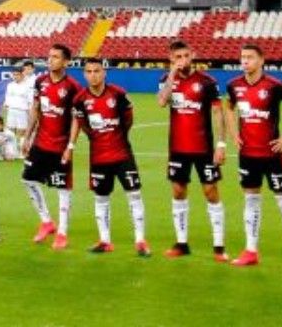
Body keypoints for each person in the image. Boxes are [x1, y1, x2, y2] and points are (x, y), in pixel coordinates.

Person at [222, 42, 282, 270]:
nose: (245, 61)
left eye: (250, 57)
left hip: (272, 153)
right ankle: (251, 250)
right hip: (247, 155)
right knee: (251, 200)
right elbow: (228, 109)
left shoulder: (274, 85)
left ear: (262, 60)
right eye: (242, 57)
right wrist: (234, 134)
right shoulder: (234, 86)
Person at [69, 57, 150, 257]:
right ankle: (105, 241)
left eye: (97, 71)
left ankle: (140, 240)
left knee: (134, 194)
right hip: (99, 157)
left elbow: (128, 120)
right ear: (84, 74)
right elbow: (83, 125)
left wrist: (117, 136)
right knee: (101, 198)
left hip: (122, 153)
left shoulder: (118, 94)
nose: (93, 75)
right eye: (89, 71)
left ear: (104, 72)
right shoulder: (80, 99)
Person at [158, 39, 228, 260]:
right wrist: (171, 76)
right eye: (178, 57)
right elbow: (161, 102)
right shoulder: (166, 80)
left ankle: (219, 247)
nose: (183, 61)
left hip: (203, 148)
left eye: (186, 56)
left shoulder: (207, 82)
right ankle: (181, 243)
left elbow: (218, 113)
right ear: (171, 59)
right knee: (178, 191)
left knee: (211, 192)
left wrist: (221, 144)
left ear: (193, 55)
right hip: (178, 148)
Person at [21, 44, 82, 249]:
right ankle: (47, 222)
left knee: (62, 188)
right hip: (40, 143)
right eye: (49, 56)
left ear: (66, 62)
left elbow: (77, 118)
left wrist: (71, 146)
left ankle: (62, 233)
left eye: (56, 57)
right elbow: (36, 108)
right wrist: (27, 137)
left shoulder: (72, 86)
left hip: (60, 146)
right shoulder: (40, 81)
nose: (50, 60)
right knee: (28, 179)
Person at [0, 60, 37, 162]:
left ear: (22, 75)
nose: (16, 76)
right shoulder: (10, 85)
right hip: (11, 110)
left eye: (18, 75)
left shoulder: (27, 87)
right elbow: (7, 98)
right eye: (14, 75)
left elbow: (30, 101)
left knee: (22, 133)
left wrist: (30, 114)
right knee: (10, 132)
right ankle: (12, 152)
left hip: (22, 111)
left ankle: (22, 152)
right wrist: (5, 108)